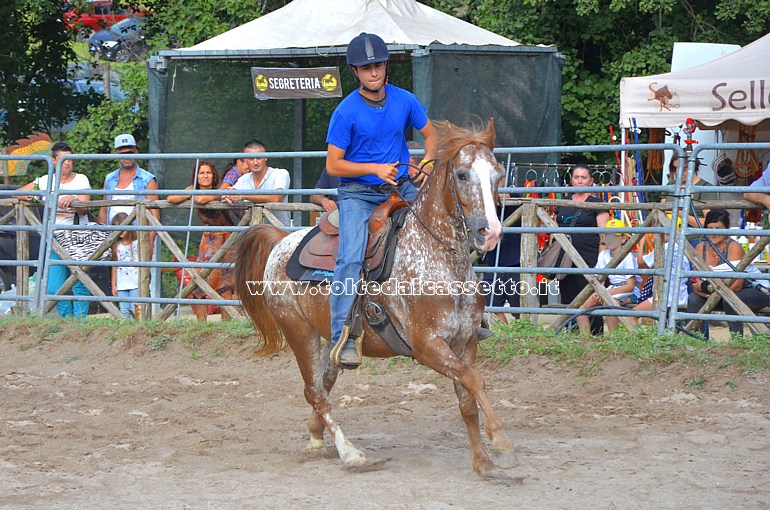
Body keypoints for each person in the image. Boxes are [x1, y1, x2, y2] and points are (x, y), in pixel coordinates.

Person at [325, 32, 437, 367]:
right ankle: (342, 337)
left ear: (386, 66)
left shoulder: (405, 101)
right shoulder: (345, 112)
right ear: (355, 72)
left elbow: (430, 135)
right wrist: (373, 168)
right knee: (349, 258)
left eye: (378, 65)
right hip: (357, 195)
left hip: (400, 187)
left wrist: (428, 162)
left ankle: (471, 311)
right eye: (365, 67)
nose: (373, 72)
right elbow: (333, 164)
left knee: (445, 229)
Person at [19, 142, 92, 318]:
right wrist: (31, 196)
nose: (67, 163)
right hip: (54, 237)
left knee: (78, 282)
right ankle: (67, 321)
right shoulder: (45, 180)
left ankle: (81, 323)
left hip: (77, 236)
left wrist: (73, 199)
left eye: (70, 159)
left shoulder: (81, 179)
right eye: (63, 160)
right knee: (54, 286)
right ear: (53, 161)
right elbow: (17, 192)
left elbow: (85, 208)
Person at [687, 209, 770, 340]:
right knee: (693, 299)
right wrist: (705, 289)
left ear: (727, 230)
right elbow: (694, 283)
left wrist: (705, 287)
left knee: (731, 299)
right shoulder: (700, 248)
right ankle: (697, 341)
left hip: (754, 290)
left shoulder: (733, 247)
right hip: (719, 294)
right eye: (710, 228)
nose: (714, 233)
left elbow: (736, 285)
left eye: (719, 228)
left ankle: (737, 342)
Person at [168, 162, 236, 321]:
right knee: (200, 283)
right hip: (208, 241)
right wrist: (189, 193)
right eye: (201, 173)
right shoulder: (192, 190)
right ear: (196, 176)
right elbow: (171, 198)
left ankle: (227, 325)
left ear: (214, 176)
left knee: (226, 286)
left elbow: (202, 199)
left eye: (208, 173)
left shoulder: (220, 190)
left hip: (227, 240)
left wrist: (198, 195)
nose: (205, 176)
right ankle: (201, 325)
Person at [554, 165, 610, 334]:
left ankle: (595, 335)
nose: (579, 181)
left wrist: (601, 261)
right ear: (571, 180)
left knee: (591, 298)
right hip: (566, 260)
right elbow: (555, 230)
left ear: (591, 181)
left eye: (583, 177)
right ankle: (572, 333)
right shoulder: (563, 202)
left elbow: (605, 235)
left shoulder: (597, 203)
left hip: (589, 258)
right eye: (576, 177)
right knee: (569, 298)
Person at [97, 134, 160, 252]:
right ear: (117, 155)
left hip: (137, 238)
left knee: (140, 270)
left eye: (129, 152)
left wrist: (150, 243)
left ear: (136, 152)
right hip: (113, 238)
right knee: (115, 269)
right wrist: (102, 239)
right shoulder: (109, 179)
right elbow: (104, 209)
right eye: (122, 154)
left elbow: (154, 215)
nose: (126, 157)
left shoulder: (148, 179)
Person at [576, 219, 639, 334]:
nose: (610, 239)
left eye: (614, 236)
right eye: (607, 235)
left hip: (630, 292)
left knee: (609, 306)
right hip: (609, 289)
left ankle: (613, 338)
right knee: (581, 308)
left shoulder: (628, 257)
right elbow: (599, 278)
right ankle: (585, 338)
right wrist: (598, 292)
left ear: (623, 239)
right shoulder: (603, 255)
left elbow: (630, 286)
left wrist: (605, 293)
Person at [631, 216, 690, 326]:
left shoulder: (665, 247)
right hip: (681, 296)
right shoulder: (685, 249)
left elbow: (641, 263)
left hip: (665, 297)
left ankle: (640, 340)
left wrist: (641, 242)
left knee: (632, 317)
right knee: (650, 319)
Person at [222, 139, 291, 226]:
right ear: (245, 160)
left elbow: (276, 198)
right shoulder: (244, 179)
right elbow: (231, 193)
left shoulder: (280, 173)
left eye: (259, 158)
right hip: (255, 235)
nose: (255, 162)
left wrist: (242, 195)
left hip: (280, 234)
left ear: (266, 157)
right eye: (251, 158)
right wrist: (226, 196)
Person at [665, 155, 716, 230]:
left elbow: (708, 224)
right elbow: (662, 211)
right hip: (668, 236)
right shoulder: (670, 185)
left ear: (693, 167)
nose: (677, 172)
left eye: (682, 168)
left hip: (694, 238)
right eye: (674, 168)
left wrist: (678, 212)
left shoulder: (705, 188)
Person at [111, 212, 139, 319]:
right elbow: (114, 266)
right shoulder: (116, 245)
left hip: (135, 282)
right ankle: (125, 330)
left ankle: (136, 329)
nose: (121, 232)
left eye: (123, 228)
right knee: (123, 310)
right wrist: (114, 284)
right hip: (122, 283)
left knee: (135, 308)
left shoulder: (136, 243)